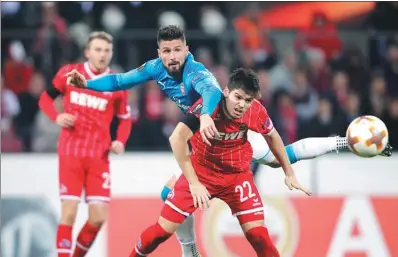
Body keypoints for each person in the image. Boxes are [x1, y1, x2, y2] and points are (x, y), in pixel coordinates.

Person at [65, 25, 393, 257]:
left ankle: (346, 142)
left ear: (187, 49)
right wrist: (86, 85)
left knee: (280, 157)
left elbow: (209, 90)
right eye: (166, 51)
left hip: (231, 137)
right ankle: (189, 248)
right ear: (160, 52)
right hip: (206, 145)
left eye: (178, 49)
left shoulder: (199, 74)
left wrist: (206, 115)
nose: (172, 56)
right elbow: (120, 80)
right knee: (168, 193)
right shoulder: (155, 68)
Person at [129, 68, 311, 257]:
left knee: (259, 236)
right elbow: (177, 139)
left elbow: (273, 137)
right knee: (160, 233)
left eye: (248, 100)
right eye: (238, 97)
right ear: (225, 92)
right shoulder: (207, 106)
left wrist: (289, 172)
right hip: (201, 173)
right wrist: (194, 183)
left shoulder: (255, 111)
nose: (242, 105)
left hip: (236, 177)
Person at [38, 31, 133, 257]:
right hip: (71, 152)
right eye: (98, 50)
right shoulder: (69, 74)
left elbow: (125, 119)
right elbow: (45, 99)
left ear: (111, 53)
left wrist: (119, 141)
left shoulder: (115, 84)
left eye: (107, 50)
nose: (102, 55)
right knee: (68, 214)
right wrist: (57, 117)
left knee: (98, 217)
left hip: (99, 157)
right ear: (87, 52)